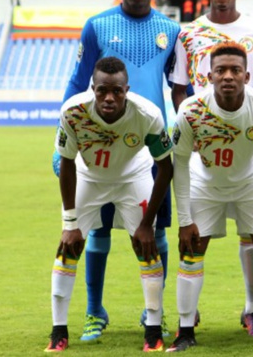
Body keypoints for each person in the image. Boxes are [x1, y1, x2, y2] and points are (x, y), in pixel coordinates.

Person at [60, 0, 181, 341]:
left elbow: (180, 89)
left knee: (155, 233)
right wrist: (60, 141)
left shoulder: (171, 30)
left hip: (149, 146)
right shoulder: (97, 26)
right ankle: (94, 311)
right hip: (101, 148)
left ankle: (154, 313)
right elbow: (78, 82)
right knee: (97, 233)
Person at [170, 0, 253, 337]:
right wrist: (194, 132)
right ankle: (188, 316)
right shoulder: (188, 34)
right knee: (195, 239)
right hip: (206, 152)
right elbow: (180, 89)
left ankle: (252, 309)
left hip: (248, 149)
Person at [45, 57, 173, 352]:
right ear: (93, 89)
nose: (109, 98)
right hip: (89, 177)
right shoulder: (73, 111)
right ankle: (58, 331)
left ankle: (153, 330)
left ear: (127, 90)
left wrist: (146, 225)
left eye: (117, 91)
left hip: (133, 176)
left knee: (147, 248)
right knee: (68, 247)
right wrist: (70, 223)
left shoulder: (148, 114)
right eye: (102, 90)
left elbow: (166, 168)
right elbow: (67, 163)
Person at [170, 41, 253, 352]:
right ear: (209, 76)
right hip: (205, 183)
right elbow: (179, 163)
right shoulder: (191, 110)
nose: (227, 76)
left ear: (247, 76)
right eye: (220, 70)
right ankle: (185, 332)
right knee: (191, 252)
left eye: (235, 70)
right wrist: (184, 220)